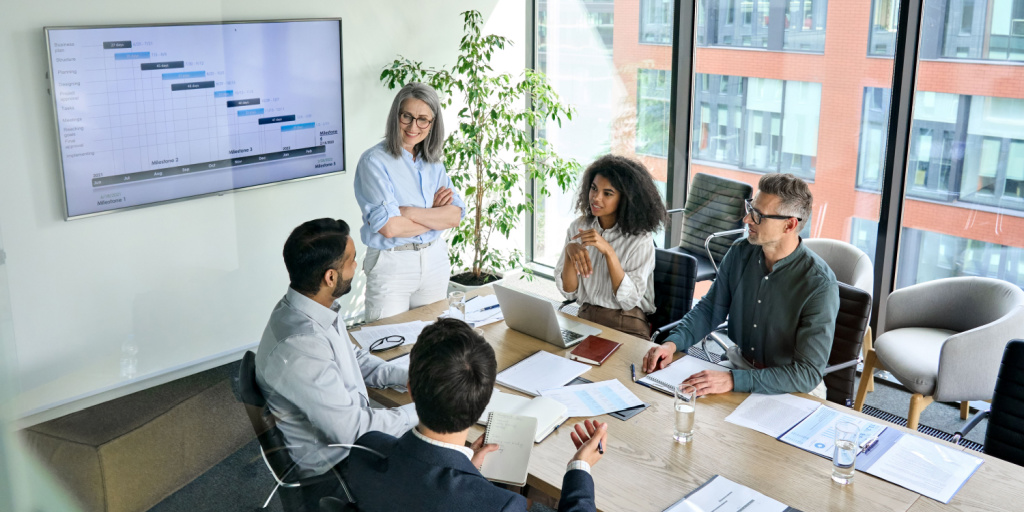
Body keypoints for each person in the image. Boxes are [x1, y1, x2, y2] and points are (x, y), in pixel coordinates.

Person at [348, 318, 607, 512]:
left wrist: (466, 470)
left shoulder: (365, 451)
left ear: (410, 390)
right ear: (483, 404)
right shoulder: (499, 505)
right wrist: (580, 467)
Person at [255, 218, 416, 509]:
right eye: (352, 261)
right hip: (336, 472)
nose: (357, 266)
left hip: (346, 442)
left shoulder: (313, 308)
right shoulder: (300, 346)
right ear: (330, 277)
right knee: (442, 469)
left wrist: (412, 377)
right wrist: (425, 410)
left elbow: (355, 359)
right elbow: (353, 431)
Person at [642, 173, 839, 398]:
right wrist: (671, 345)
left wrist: (733, 380)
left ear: (790, 225)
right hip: (739, 365)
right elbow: (709, 310)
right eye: (750, 208)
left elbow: (806, 374)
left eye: (758, 216)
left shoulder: (819, 284)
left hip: (791, 387)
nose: (747, 220)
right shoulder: (739, 252)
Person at [354, 82, 465, 322]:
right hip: (392, 263)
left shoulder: (434, 162)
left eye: (423, 119)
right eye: (407, 116)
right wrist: (435, 216)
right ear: (396, 116)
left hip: (434, 260)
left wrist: (408, 212)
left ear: (432, 124)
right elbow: (390, 227)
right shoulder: (374, 161)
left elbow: (454, 216)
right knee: (387, 346)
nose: (414, 126)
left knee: (434, 345)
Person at [554, 155, 666, 339]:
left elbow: (629, 301)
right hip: (586, 316)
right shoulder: (578, 227)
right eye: (594, 188)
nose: (596, 198)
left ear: (626, 199)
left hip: (626, 323)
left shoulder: (640, 239)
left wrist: (609, 252)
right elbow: (569, 291)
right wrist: (569, 253)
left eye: (608, 193)